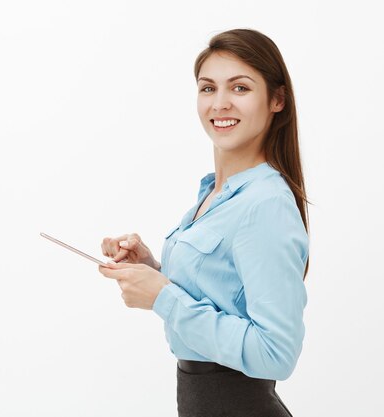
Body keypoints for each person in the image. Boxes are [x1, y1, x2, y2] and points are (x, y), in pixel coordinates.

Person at [98, 28, 310, 417]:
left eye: (240, 88)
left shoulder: (265, 204)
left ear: (277, 99)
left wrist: (163, 296)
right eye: (208, 88)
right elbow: (222, 294)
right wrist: (152, 271)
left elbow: (276, 354)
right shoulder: (216, 193)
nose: (220, 103)